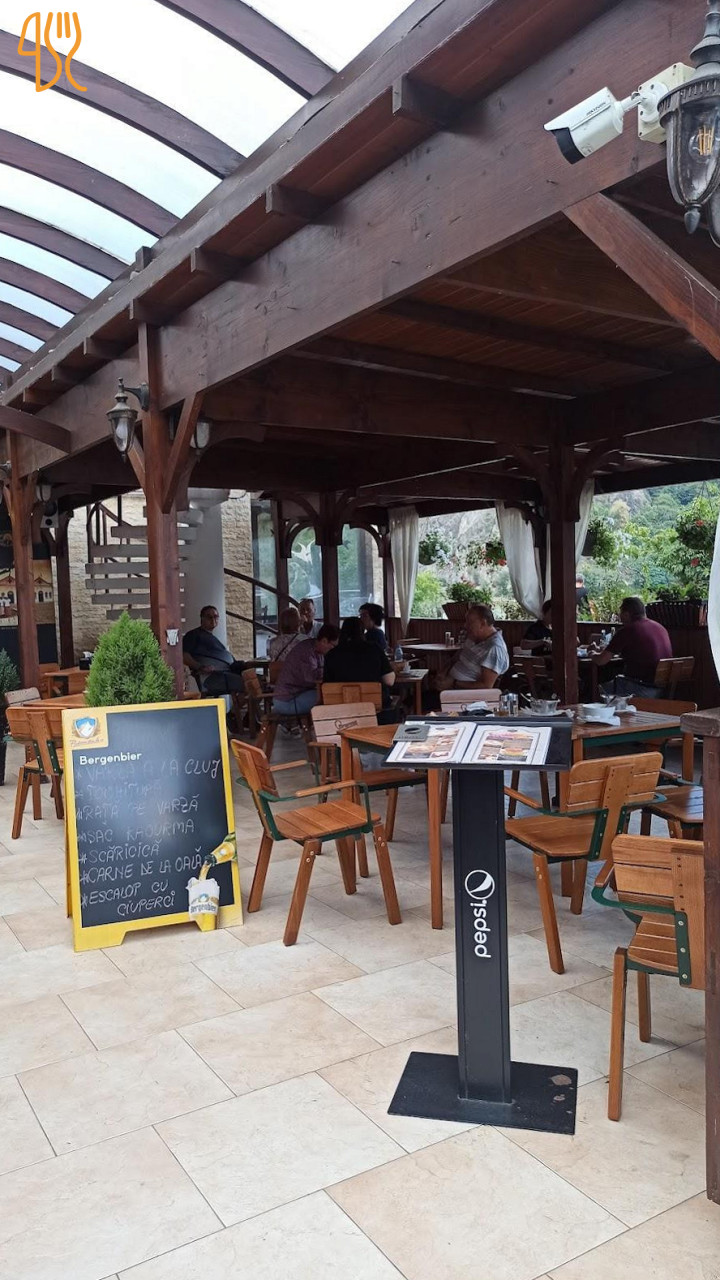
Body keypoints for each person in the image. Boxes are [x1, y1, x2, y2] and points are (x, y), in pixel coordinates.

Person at [593, 596, 672, 698]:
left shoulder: (628, 630)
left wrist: (592, 654)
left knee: (597, 689)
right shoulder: (660, 628)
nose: (620, 617)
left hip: (641, 688)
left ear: (626, 614)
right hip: (662, 690)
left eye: (620, 613)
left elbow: (601, 661)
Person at [324, 617, 396, 711]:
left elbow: (327, 685)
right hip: (374, 706)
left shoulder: (331, 654)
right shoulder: (375, 649)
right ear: (362, 631)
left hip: (341, 708)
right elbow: (389, 681)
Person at [272, 624, 339, 715]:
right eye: (334, 646)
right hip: (287, 701)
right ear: (324, 641)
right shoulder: (306, 651)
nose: (335, 650)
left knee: (329, 694)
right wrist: (333, 670)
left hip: (295, 695)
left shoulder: (315, 649)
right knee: (329, 696)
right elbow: (311, 677)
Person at [182, 605, 248, 694]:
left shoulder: (211, 637)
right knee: (250, 683)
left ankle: (241, 703)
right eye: (209, 617)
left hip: (228, 671)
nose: (213, 620)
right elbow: (184, 655)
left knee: (257, 678)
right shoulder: (194, 635)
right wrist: (200, 667)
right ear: (202, 618)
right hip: (212, 677)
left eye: (216, 617)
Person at [447, 604, 509, 689]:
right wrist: (443, 673)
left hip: (464, 694)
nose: (465, 625)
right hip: (450, 687)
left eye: (469, 622)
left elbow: (486, 686)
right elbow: (456, 658)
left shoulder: (495, 648)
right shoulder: (473, 637)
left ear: (483, 623)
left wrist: (453, 683)